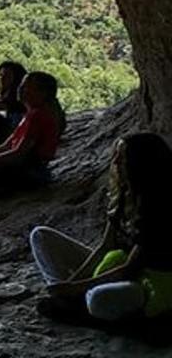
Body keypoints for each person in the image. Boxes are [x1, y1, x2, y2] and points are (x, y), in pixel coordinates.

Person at [30, 133, 172, 322]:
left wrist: (75, 287)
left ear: (141, 163)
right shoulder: (124, 196)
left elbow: (129, 269)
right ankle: (71, 300)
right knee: (40, 236)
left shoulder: (159, 207)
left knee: (100, 299)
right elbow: (104, 246)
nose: (114, 161)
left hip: (148, 281)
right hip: (114, 265)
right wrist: (70, 284)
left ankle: (83, 309)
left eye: (121, 156)